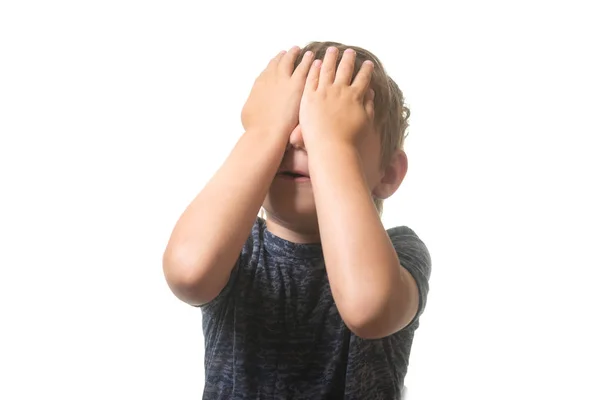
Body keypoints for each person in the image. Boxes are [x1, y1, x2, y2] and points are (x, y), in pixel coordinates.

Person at [162, 41, 432, 399]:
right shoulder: (235, 248)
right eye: (287, 123)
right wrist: (262, 131)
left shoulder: (400, 253)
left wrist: (330, 145)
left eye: (328, 129)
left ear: (388, 173)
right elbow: (188, 272)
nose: (299, 138)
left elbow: (368, 307)